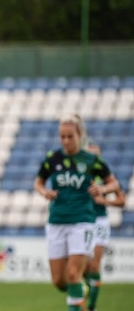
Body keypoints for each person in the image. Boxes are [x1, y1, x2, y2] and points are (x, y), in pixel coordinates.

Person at [34, 114, 119, 311]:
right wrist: (44, 191)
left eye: (70, 136)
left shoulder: (91, 160)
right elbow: (38, 182)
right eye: (62, 137)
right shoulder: (52, 159)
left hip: (82, 221)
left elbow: (113, 183)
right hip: (56, 220)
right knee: (59, 281)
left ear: (79, 135)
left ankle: (81, 293)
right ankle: (82, 288)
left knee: (73, 273)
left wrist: (103, 190)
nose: (65, 141)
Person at [84, 140, 125, 311]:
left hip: (100, 220)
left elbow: (122, 200)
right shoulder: (80, 174)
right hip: (83, 221)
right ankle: (85, 293)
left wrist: (102, 200)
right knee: (82, 268)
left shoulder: (106, 177)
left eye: (96, 155)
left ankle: (91, 306)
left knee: (94, 265)